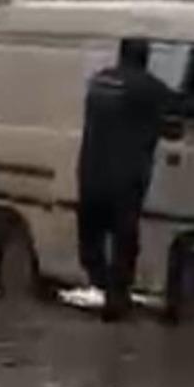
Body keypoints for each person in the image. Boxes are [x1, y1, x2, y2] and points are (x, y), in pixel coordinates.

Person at [77, 37, 178, 321]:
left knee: (92, 238)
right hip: (124, 180)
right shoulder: (144, 86)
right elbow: (183, 105)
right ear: (145, 58)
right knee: (124, 240)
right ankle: (116, 298)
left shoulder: (99, 81)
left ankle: (103, 284)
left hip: (90, 173)